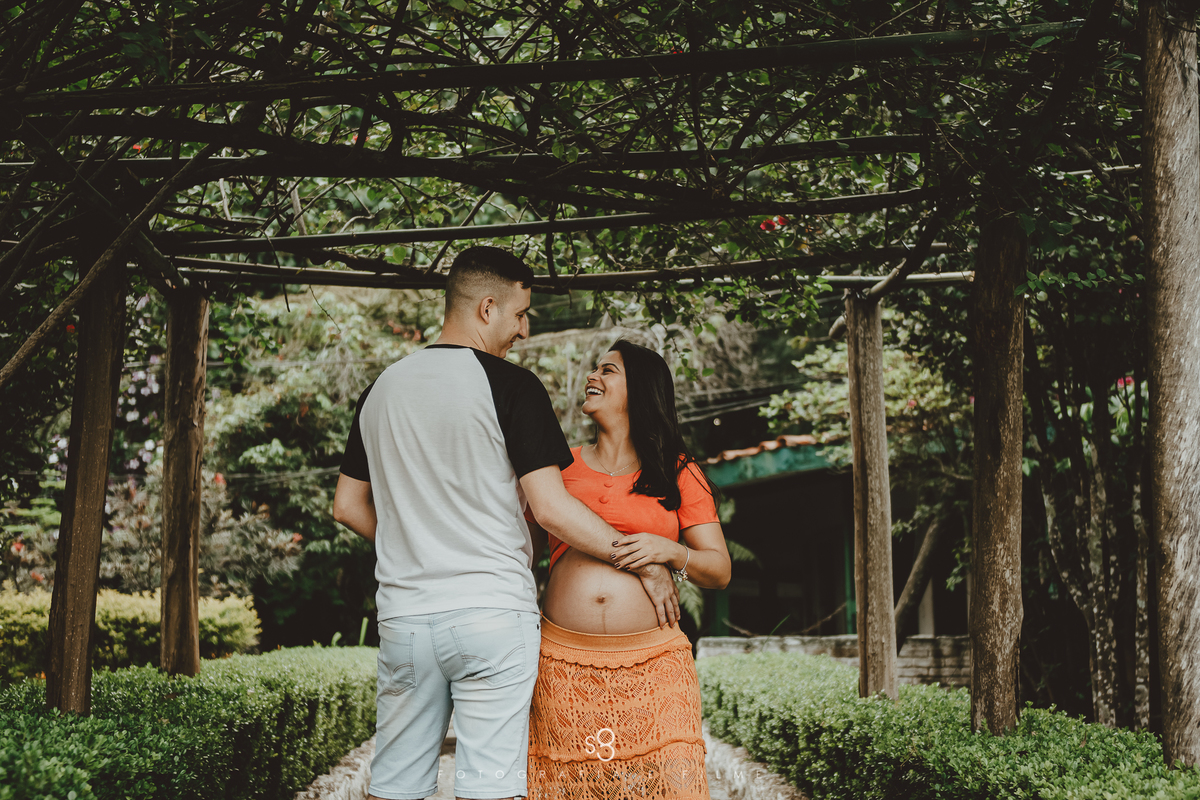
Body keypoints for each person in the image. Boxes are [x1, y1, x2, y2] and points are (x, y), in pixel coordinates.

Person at [332, 248, 680, 800]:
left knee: (395, 784)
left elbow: (347, 506)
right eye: (520, 314)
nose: (523, 330)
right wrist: (642, 561)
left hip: (406, 621)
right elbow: (550, 508)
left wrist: (418, 543)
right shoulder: (513, 387)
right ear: (487, 308)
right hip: (492, 616)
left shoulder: (380, 390)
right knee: (490, 787)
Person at [524, 339, 732, 800]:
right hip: (563, 665)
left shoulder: (679, 471)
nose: (592, 377)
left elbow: (718, 570)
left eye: (608, 370)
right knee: (570, 788)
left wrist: (667, 552)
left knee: (672, 789)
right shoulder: (558, 469)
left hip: (654, 665)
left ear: (639, 390)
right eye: (595, 369)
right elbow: (522, 551)